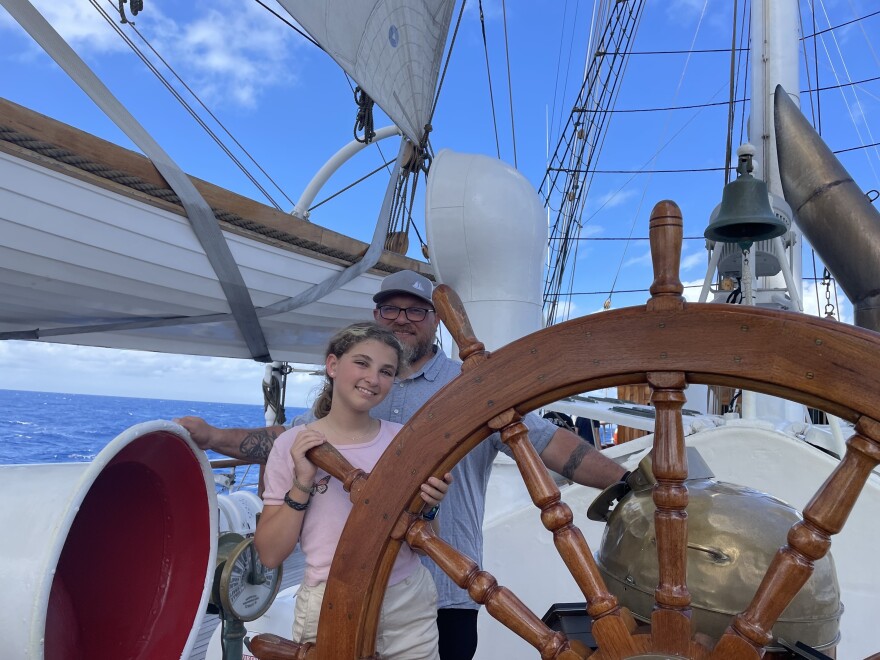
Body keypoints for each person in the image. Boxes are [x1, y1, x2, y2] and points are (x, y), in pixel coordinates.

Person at [179, 270, 627, 660]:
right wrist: (213, 437)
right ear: (375, 321)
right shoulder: (349, 400)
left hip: (448, 585)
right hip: (344, 589)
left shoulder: (471, 386)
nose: (402, 319)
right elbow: (289, 443)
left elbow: (550, 445)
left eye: (416, 311)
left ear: (436, 322)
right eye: (390, 309)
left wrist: (627, 483)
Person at [256, 321, 452, 659]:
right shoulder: (292, 445)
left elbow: (423, 545)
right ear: (333, 365)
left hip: (406, 600)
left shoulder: (405, 441)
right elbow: (270, 554)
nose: (373, 379)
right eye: (361, 363)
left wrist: (431, 506)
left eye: (386, 371)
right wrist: (303, 482)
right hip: (329, 597)